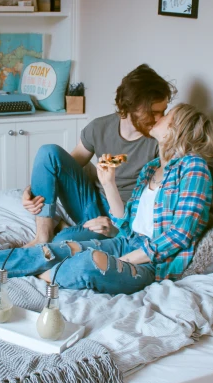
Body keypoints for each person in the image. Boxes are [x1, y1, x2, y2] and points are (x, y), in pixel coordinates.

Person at [0, 103, 213, 296]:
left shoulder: (193, 169)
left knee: (83, 263)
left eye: (165, 116)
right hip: (127, 242)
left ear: (178, 127)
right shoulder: (153, 167)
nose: (158, 119)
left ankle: (37, 269)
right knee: (48, 250)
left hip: (152, 263)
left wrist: (130, 258)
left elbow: (178, 235)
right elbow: (126, 225)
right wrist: (106, 183)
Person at [22, 64, 176, 247]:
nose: (160, 119)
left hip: (122, 217)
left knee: (63, 242)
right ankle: (42, 236)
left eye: (163, 111)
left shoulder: (159, 141)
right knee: (48, 152)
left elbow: (157, 201)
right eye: (154, 112)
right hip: (90, 204)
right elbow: (61, 165)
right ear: (130, 105)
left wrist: (118, 227)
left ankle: (64, 231)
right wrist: (32, 192)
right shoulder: (99, 127)